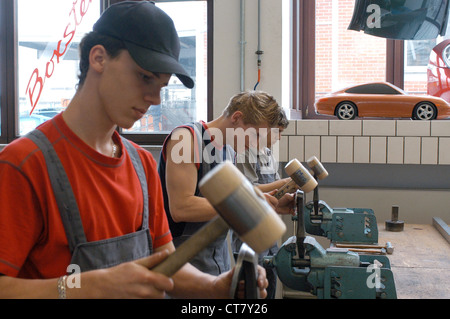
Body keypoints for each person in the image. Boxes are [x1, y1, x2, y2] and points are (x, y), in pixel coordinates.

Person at [0, 1, 267, 299]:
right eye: (145, 77)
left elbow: (165, 261)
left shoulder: (141, 165)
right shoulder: (24, 165)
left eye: (162, 86)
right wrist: (82, 287)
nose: (155, 98)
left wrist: (216, 286)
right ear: (99, 57)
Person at [158, 90, 295, 278]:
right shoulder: (186, 139)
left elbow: (233, 197)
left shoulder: (228, 150)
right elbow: (182, 207)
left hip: (217, 255)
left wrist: (270, 202)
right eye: (255, 135)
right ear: (237, 118)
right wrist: (249, 203)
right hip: (183, 259)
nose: (257, 145)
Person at [233, 109, 291, 299]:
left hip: (268, 230)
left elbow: (274, 193)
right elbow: (248, 191)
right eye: (277, 132)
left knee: (269, 283)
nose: (279, 138)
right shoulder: (244, 152)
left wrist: (287, 196)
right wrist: (284, 183)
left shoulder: (267, 154)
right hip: (249, 232)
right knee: (252, 288)